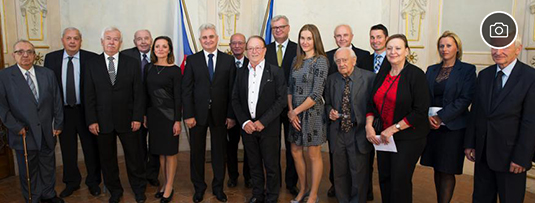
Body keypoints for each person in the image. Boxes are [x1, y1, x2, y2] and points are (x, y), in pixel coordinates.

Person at [464, 38, 535, 202]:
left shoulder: (530, 77)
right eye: (494, 48)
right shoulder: (484, 75)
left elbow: (530, 122)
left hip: (512, 158)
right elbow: (476, 112)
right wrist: (470, 143)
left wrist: (522, 158)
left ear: (518, 49)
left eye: (504, 48)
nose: (498, 52)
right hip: (483, 155)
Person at [365, 34, 430, 203]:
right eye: (389, 48)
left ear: (407, 51)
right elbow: (371, 102)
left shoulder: (416, 75)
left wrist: (394, 128)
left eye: (398, 48)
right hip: (384, 137)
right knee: (385, 178)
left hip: (408, 137)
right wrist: (369, 125)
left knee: (399, 181)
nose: (393, 52)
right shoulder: (383, 73)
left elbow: (420, 111)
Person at [84, 27, 146, 203]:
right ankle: (115, 191)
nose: (112, 42)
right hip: (102, 121)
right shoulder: (91, 64)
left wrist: (137, 117)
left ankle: (139, 189)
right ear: (102, 41)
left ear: (121, 42)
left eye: (116, 39)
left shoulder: (131, 63)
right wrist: (92, 120)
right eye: (108, 38)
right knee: (108, 159)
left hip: (128, 120)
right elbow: (88, 94)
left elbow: (138, 93)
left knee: (135, 157)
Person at [0, 40, 64, 203]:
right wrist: (15, 127)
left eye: (29, 52)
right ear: (14, 55)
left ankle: (49, 194)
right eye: (20, 52)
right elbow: (2, 107)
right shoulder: (4, 76)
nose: (25, 55)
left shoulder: (47, 74)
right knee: (29, 169)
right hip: (23, 132)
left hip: (47, 131)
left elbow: (57, 99)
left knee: (48, 165)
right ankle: (33, 198)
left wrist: (58, 123)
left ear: (35, 55)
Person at [43, 27, 101, 198]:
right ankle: (71, 182)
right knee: (68, 150)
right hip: (63, 113)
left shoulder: (91, 58)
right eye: (69, 38)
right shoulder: (51, 58)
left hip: (86, 112)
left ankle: (93, 182)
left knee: (91, 149)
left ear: (80, 40)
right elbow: (48, 89)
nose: (72, 41)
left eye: (76, 38)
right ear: (63, 40)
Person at [182, 23, 236, 203]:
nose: (208, 40)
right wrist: (188, 115)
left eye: (211, 36)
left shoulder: (228, 60)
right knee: (196, 153)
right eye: (204, 37)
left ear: (217, 39)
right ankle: (199, 187)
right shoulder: (192, 60)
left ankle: (218, 187)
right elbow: (187, 90)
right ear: (200, 40)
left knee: (220, 153)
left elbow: (232, 91)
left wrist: (231, 115)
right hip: (196, 116)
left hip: (221, 115)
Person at [420, 31, 476, 203]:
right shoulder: (431, 70)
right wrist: (427, 118)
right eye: (441, 46)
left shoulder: (467, 70)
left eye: (448, 45)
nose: (444, 49)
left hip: (453, 128)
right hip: (432, 127)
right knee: (437, 168)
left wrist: (441, 117)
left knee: (447, 170)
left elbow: (465, 99)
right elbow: (423, 96)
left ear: (457, 48)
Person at [232, 35, 287, 203]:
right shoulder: (241, 72)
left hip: (268, 127)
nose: (254, 51)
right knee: (254, 165)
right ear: (247, 51)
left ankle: (271, 196)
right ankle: (257, 194)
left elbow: (281, 100)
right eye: (251, 48)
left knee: (271, 165)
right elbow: (235, 99)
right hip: (248, 128)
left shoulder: (276, 71)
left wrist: (263, 121)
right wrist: (245, 122)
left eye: (258, 48)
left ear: (264, 50)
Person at [324, 24, 371, 197]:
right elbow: (327, 103)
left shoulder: (368, 78)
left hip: (357, 131)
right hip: (338, 133)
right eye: (338, 61)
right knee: (340, 173)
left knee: (358, 174)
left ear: (354, 61)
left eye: (345, 60)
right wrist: (329, 111)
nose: (342, 64)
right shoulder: (331, 80)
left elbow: (373, 106)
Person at [287, 24, 329, 203]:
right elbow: (289, 87)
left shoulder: (320, 60)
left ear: (315, 40)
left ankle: (313, 194)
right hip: (294, 113)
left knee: (313, 154)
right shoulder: (296, 60)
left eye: (308, 38)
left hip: (312, 113)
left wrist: (295, 111)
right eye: (302, 38)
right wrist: (291, 112)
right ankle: (303, 189)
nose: (305, 42)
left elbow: (316, 93)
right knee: (295, 150)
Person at [144, 36, 182, 203]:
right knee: (160, 152)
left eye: (164, 46)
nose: (160, 49)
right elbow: (145, 94)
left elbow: (178, 97)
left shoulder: (174, 70)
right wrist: (145, 115)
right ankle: (165, 183)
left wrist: (177, 120)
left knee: (171, 153)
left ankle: (169, 186)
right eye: (157, 46)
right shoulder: (148, 68)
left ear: (169, 49)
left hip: (169, 117)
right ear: (153, 49)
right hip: (154, 117)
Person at [264, 15, 299, 195]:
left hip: (292, 107)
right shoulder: (265, 49)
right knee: (272, 147)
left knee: (292, 145)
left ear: (288, 28)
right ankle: (274, 183)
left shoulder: (298, 49)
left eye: (281, 27)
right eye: (275, 28)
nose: (278, 30)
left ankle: (291, 182)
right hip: (271, 107)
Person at [121, 29, 160, 187]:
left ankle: (152, 174)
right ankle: (141, 174)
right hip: (134, 109)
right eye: (139, 39)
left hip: (157, 108)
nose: (143, 41)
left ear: (151, 40)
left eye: (146, 38)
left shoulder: (159, 53)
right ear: (134, 41)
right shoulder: (125, 56)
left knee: (156, 144)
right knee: (138, 145)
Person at [226, 33, 252, 189]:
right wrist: (229, 115)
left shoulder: (252, 63)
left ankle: (248, 177)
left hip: (248, 116)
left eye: (240, 43)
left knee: (249, 148)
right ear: (230, 45)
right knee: (231, 148)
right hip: (230, 115)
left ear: (245, 45)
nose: (237, 46)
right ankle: (233, 176)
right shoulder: (225, 63)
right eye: (234, 43)